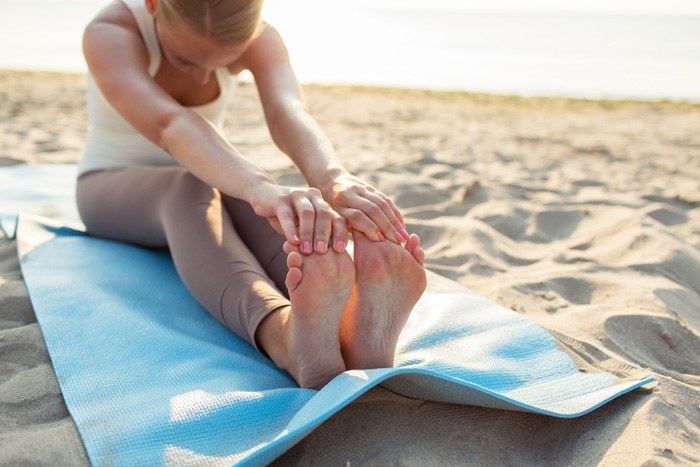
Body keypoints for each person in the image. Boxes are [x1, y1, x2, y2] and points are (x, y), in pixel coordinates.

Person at [77, 0, 427, 389]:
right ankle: (284, 337)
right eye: (184, 58)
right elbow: (170, 124)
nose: (201, 76)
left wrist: (333, 179)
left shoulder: (259, 35)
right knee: (203, 187)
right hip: (108, 186)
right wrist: (257, 186)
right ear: (153, 5)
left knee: (275, 206)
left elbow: (286, 110)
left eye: (220, 62)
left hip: (206, 179)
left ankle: (352, 329)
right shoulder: (110, 30)